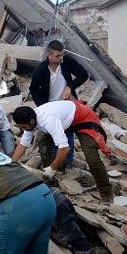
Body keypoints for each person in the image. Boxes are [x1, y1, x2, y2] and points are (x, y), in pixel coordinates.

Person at [11, 101, 113, 202]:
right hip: (65, 121)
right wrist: (11, 163)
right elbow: (23, 144)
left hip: (83, 118)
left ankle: (106, 193)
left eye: (24, 127)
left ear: (32, 121)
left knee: (92, 159)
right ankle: (50, 182)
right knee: (45, 147)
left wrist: (52, 169)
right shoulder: (30, 121)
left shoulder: (48, 120)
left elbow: (65, 148)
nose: (24, 130)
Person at [28, 40, 90, 169]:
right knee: (50, 135)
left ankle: (67, 163)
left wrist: (70, 86)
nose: (61, 58)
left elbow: (83, 75)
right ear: (49, 55)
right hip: (49, 107)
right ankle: (52, 163)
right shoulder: (41, 69)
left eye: (62, 55)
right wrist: (41, 106)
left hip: (66, 107)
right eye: (57, 56)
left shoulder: (67, 62)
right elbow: (33, 89)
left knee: (68, 133)